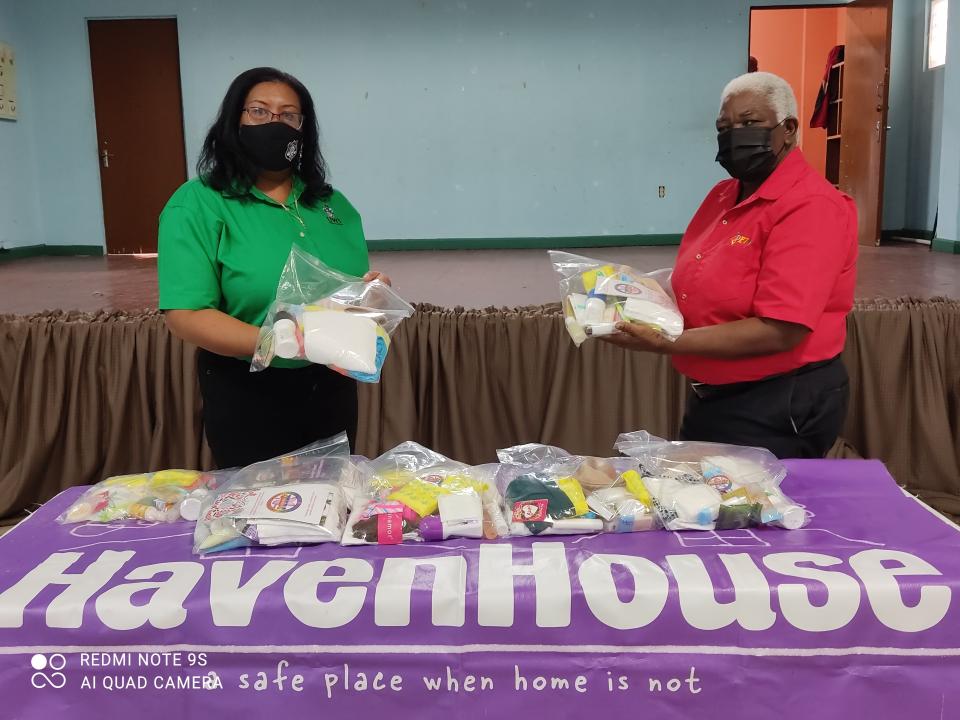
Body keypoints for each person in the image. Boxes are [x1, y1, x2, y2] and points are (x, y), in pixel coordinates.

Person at [602, 72, 857, 458]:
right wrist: (636, 293)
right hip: (714, 395)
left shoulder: (811, 206)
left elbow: (782, 329)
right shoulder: (723, 195)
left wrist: (666, 340)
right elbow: (701, 278)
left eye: (750, 123)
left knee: (747, 512)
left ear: (787, 129)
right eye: (725, 127)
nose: (735, 134)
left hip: (778, 401)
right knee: (702, 502)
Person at [158, 67, 390, 468]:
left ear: (304, 129)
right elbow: (186, 315)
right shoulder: (198, 202)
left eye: (289, 115)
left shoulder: (332, 204)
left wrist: (369, 295)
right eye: (259, 112)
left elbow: (348, 293)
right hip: (248, 390)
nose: (275, 123)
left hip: (331, 386)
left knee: (330, 504)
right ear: (234, 120)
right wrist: (280, 341)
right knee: (261, 512)